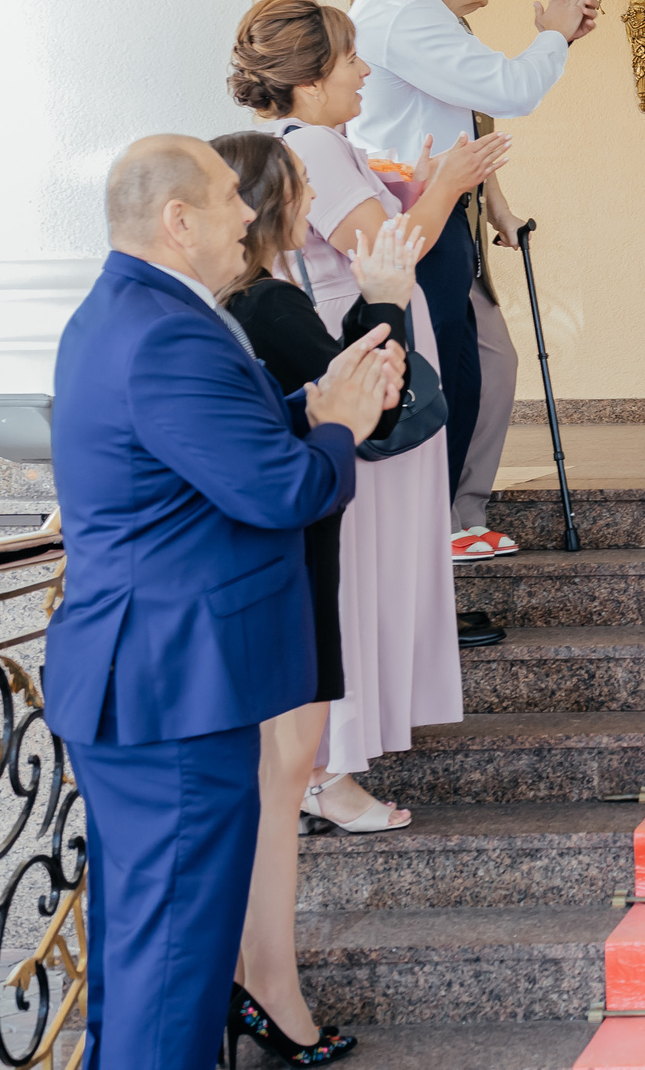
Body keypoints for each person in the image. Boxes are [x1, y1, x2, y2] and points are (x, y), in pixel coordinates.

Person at [45, 136, 400, 1070]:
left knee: (149, 955)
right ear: (178, 220)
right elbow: (280, 492)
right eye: (226, 199)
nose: (248, 212)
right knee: (173, 969)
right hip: (169, 693)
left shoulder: (134, 309)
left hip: (154, 684)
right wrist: (338, 430)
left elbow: (202, 442)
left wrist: (305, 403)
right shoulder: (165, 329)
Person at [232, 0, 507, 803]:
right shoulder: (312, 142)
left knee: (368, 566)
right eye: (350, 59)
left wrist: (417, 184)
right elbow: (386, 250)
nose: (363, 71)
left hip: (372, 366)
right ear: (311, 78)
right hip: (353, 374)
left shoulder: (323, 141)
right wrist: (448, 185)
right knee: (354, 572)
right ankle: (329, 767)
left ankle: (339, 757)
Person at [213, 131, 425, 1063]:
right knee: (283, 773)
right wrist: (385, 299)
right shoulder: (268, 299)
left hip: (280, 551)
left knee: (280, 774)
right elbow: (369, 396)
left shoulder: (240, 301)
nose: (310, 206)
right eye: (298, 190)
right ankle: (269, 983)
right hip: (292, 552)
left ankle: (262, 977)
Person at [348, 0, 594, 497]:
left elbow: (464, 118)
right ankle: (439, 522)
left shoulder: (420, 9)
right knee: (442, 374)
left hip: (442, 211)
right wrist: (554, 37)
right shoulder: (405, 13)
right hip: (409, 216)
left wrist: (496, 208)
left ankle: (458, 515)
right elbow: (507, 90)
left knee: (474, 366)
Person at [435, 0, 529, 563]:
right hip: (429, 234)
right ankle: (444, 518)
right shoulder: (426, 43)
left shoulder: (464, 44)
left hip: (463, 239)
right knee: (452, 372)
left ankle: (468, 511)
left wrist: (501, 212)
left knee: (496, 364)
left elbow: (480, 150)